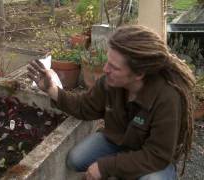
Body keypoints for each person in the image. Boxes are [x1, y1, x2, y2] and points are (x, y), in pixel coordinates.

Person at [27, 25, 195, 180]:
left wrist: (105, 167)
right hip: (119, 141)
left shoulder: (167, 97)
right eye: (107, 61)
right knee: (75, 159)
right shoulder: (110, 82)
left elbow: (157, 155)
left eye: (114, 67)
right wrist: (52, 90)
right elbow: (85, 106)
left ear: (139, 74)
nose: (105, 69)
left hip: (153, 157)